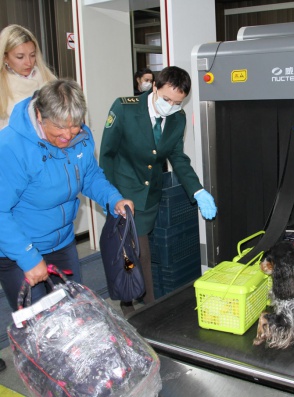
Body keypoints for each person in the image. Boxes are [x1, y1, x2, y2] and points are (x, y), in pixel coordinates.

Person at [0, 79, 134, 313]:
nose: (68, 134)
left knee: (74, 313)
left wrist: (114, 199)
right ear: (40, 115)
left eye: (75, 125)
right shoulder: (11, 147)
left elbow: (90, 176)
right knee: (40, 327)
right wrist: (29, 258)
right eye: (60, 127)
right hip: (19, 249)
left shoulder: (80, 138)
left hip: (61, 242)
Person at [100, 65, 217, 314]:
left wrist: (197, 190)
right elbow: (107, 155)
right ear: (154, 86)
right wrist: (109, 196)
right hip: (124, 193)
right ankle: (137, 303)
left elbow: (177, 157)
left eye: (177, 103)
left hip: (151, 194)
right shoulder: (125, 108)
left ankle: (135, 296)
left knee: (137, 251)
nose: (171, 106)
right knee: (134, 252)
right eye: (166, 99)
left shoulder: (177, 118)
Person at [0, 24, 56, 130]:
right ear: (5, 58)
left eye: (32, 55)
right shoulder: (2, 87)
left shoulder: (50, 81)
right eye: (20, 57)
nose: (28, 63)